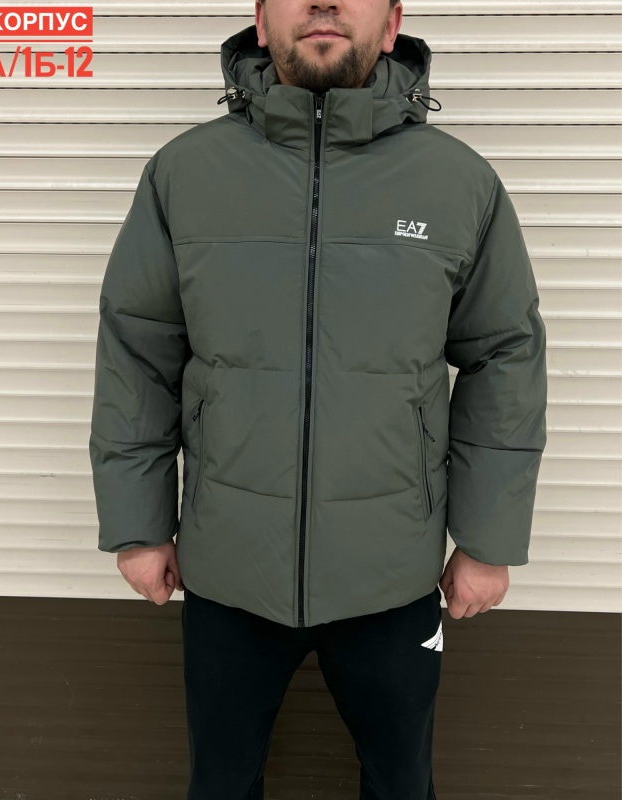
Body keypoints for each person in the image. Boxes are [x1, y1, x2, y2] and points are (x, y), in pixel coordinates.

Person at [88, 1, 548, 797]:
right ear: (262, 19)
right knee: (221, 783)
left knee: (400, 782)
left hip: (392, 578)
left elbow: (504, 357)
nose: (325, 4)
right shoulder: (185, 174)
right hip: (228, 571)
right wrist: (138, 523)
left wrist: (486, 539)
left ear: (393, 23)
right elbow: (138, 352)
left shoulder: (458, 182)